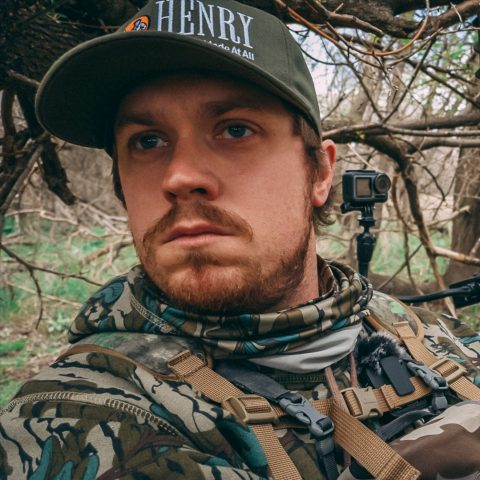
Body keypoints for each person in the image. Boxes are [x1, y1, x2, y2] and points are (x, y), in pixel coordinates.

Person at [1, 1, 480, 479]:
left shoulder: (417, 334)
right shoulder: (74, 418)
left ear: (319, 171)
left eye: (234, 130)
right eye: (148, 141)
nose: (180, 176)